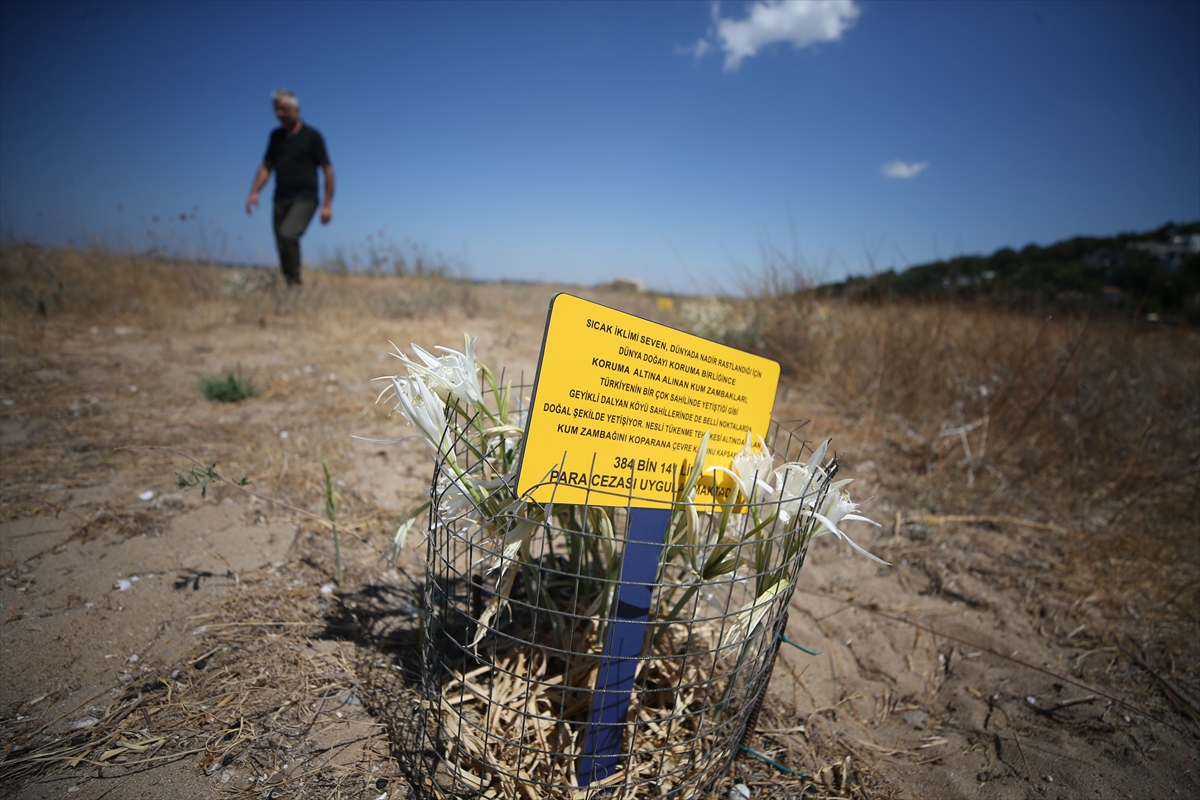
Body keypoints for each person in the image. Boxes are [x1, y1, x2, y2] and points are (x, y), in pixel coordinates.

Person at [245, 88, 335, 286]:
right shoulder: (276, 137)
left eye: (284, 109)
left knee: (288, 235)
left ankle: (295, 285)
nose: (280, 113)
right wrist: (254, 192)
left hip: (306, 198)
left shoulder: (312, 136)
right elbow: (266, 166)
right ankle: (291, 285)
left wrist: (327, 205)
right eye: (276, 109)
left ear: (296, 110)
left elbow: (328, 171)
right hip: (280, 197)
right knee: (281, 244)